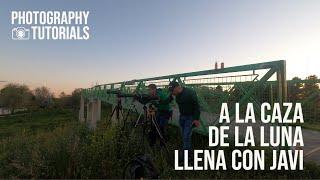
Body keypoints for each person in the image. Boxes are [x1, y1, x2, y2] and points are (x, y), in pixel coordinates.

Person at [168, 81, 200, 153]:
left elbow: (196, 106)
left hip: (190, 117)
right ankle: (189, 152)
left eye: (172, 91)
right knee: (184, 136)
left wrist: (196, 119)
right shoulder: (176, 94)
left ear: (177, 88)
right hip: (182, 117)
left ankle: (185, 154)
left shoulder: (190, 92)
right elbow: (168, 100)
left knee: (186, 136)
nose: (172, 93)